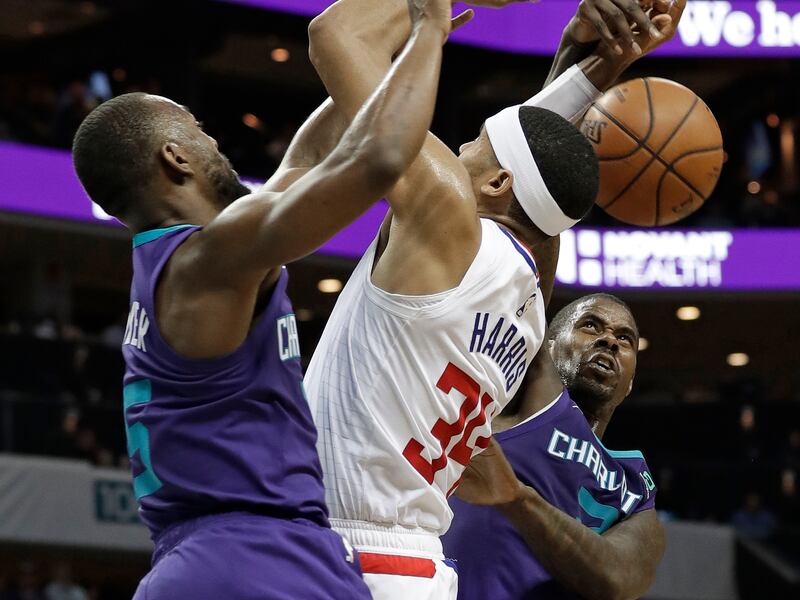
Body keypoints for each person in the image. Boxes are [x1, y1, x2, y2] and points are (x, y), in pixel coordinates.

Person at [70, 0, 455, 597]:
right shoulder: (209, 258)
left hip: (207, 561)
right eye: (197, 129)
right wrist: (428, 28)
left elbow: (303, 164)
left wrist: (389, 57)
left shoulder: (189, 261)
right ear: (175, 157)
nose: (213, 137)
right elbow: (377, 159)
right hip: (257, 558)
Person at [304, 0, 681, 598]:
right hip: (418, 567)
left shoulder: (448, 223)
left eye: (474, 141)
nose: (457, 146)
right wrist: (598, 61)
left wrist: (434, 17)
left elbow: (333, 34)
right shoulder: (530, 304)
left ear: (498, 183)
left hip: (343, 557)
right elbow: (534, 159)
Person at [443, 293, 665, 600]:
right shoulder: (533, 406)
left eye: (625, 339)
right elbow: (526, 291)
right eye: (590, 325)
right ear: (544, 343)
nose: (609, 341)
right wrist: (549, 240)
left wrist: (518, 498)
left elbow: (617, 579)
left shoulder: (636, 488)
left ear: (630, 383)